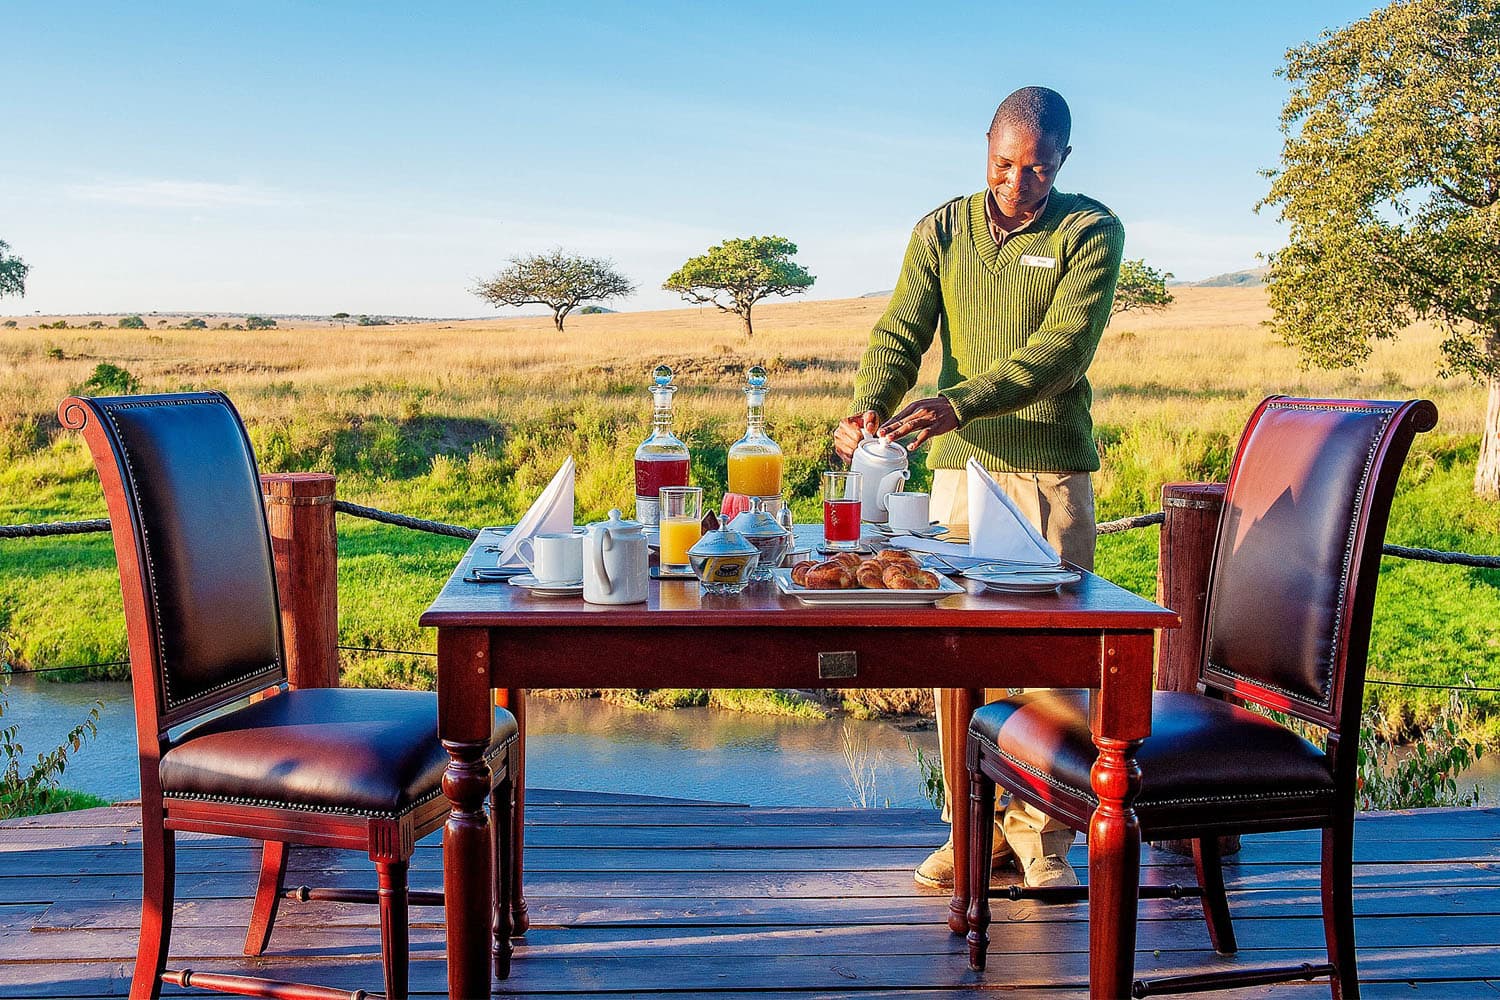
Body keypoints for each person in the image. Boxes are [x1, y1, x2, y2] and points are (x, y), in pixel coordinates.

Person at [834, 87, 1123, 890]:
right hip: (957, 476)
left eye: (1036, 168)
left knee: (1051, 661)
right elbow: (900, 331)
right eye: (1004, 164)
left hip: (1047, 472)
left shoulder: (1089, 229)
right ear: (985, 149)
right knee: (959, 658)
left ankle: (1045, 844)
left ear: (1064, 159)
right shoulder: (943, 228)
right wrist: (871, 405)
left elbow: (1061, 353)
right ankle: (975, 831)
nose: (1017, 183)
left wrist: (958, 402)